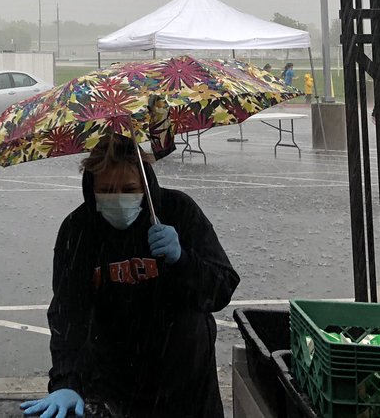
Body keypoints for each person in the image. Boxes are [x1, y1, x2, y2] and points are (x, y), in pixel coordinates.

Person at [21, 137, 239, 418]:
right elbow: (68, 313)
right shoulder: (78, 230)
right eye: (107, 190)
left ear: (145, 185)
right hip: (111, 387)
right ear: (92, 188)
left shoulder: (179, 211)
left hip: (186, 384)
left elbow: (221, 289)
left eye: (129, 189)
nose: (119, 198)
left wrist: (183, 259)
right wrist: (66, 382)